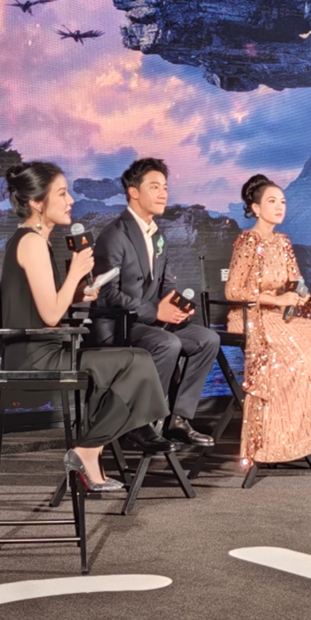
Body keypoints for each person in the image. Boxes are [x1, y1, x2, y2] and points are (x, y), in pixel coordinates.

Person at [0, 162, 168, 491]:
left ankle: (92, 450)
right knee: (136, 361)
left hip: (42, 349)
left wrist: (78, 292)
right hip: (34, 358)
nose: (71, 201)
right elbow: (51, 315)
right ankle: (90, 449)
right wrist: (76, 273)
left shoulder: (34, 241)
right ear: (36, 202)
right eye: (62, 193)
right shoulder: (32, 243)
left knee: (131, 362)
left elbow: (45, 304)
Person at [92, 158, 221, 450]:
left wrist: (175, 303)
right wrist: (154, 311)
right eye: (154, 187)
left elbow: (166, 282)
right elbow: (106, 295)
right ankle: (141, 423)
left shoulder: (157, 234)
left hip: (151, 323)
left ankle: (178, 419)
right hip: (118, 325)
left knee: (207, 339)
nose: (163, 193)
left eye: (165, 187)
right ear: (133, 192)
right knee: (167, 343)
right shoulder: (113, 236)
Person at [225, 174, 311, 467]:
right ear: (255, 208)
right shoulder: (247, 241)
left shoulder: (283, 241)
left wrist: (301, 295)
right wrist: (276, 300)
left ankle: (301, 429)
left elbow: (296, 281)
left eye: (283, 201)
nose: (279, 207)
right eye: (272, 201)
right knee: (295, 350)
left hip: (278, 317)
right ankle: (274, 434)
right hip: (250, 316)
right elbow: (233, 291)